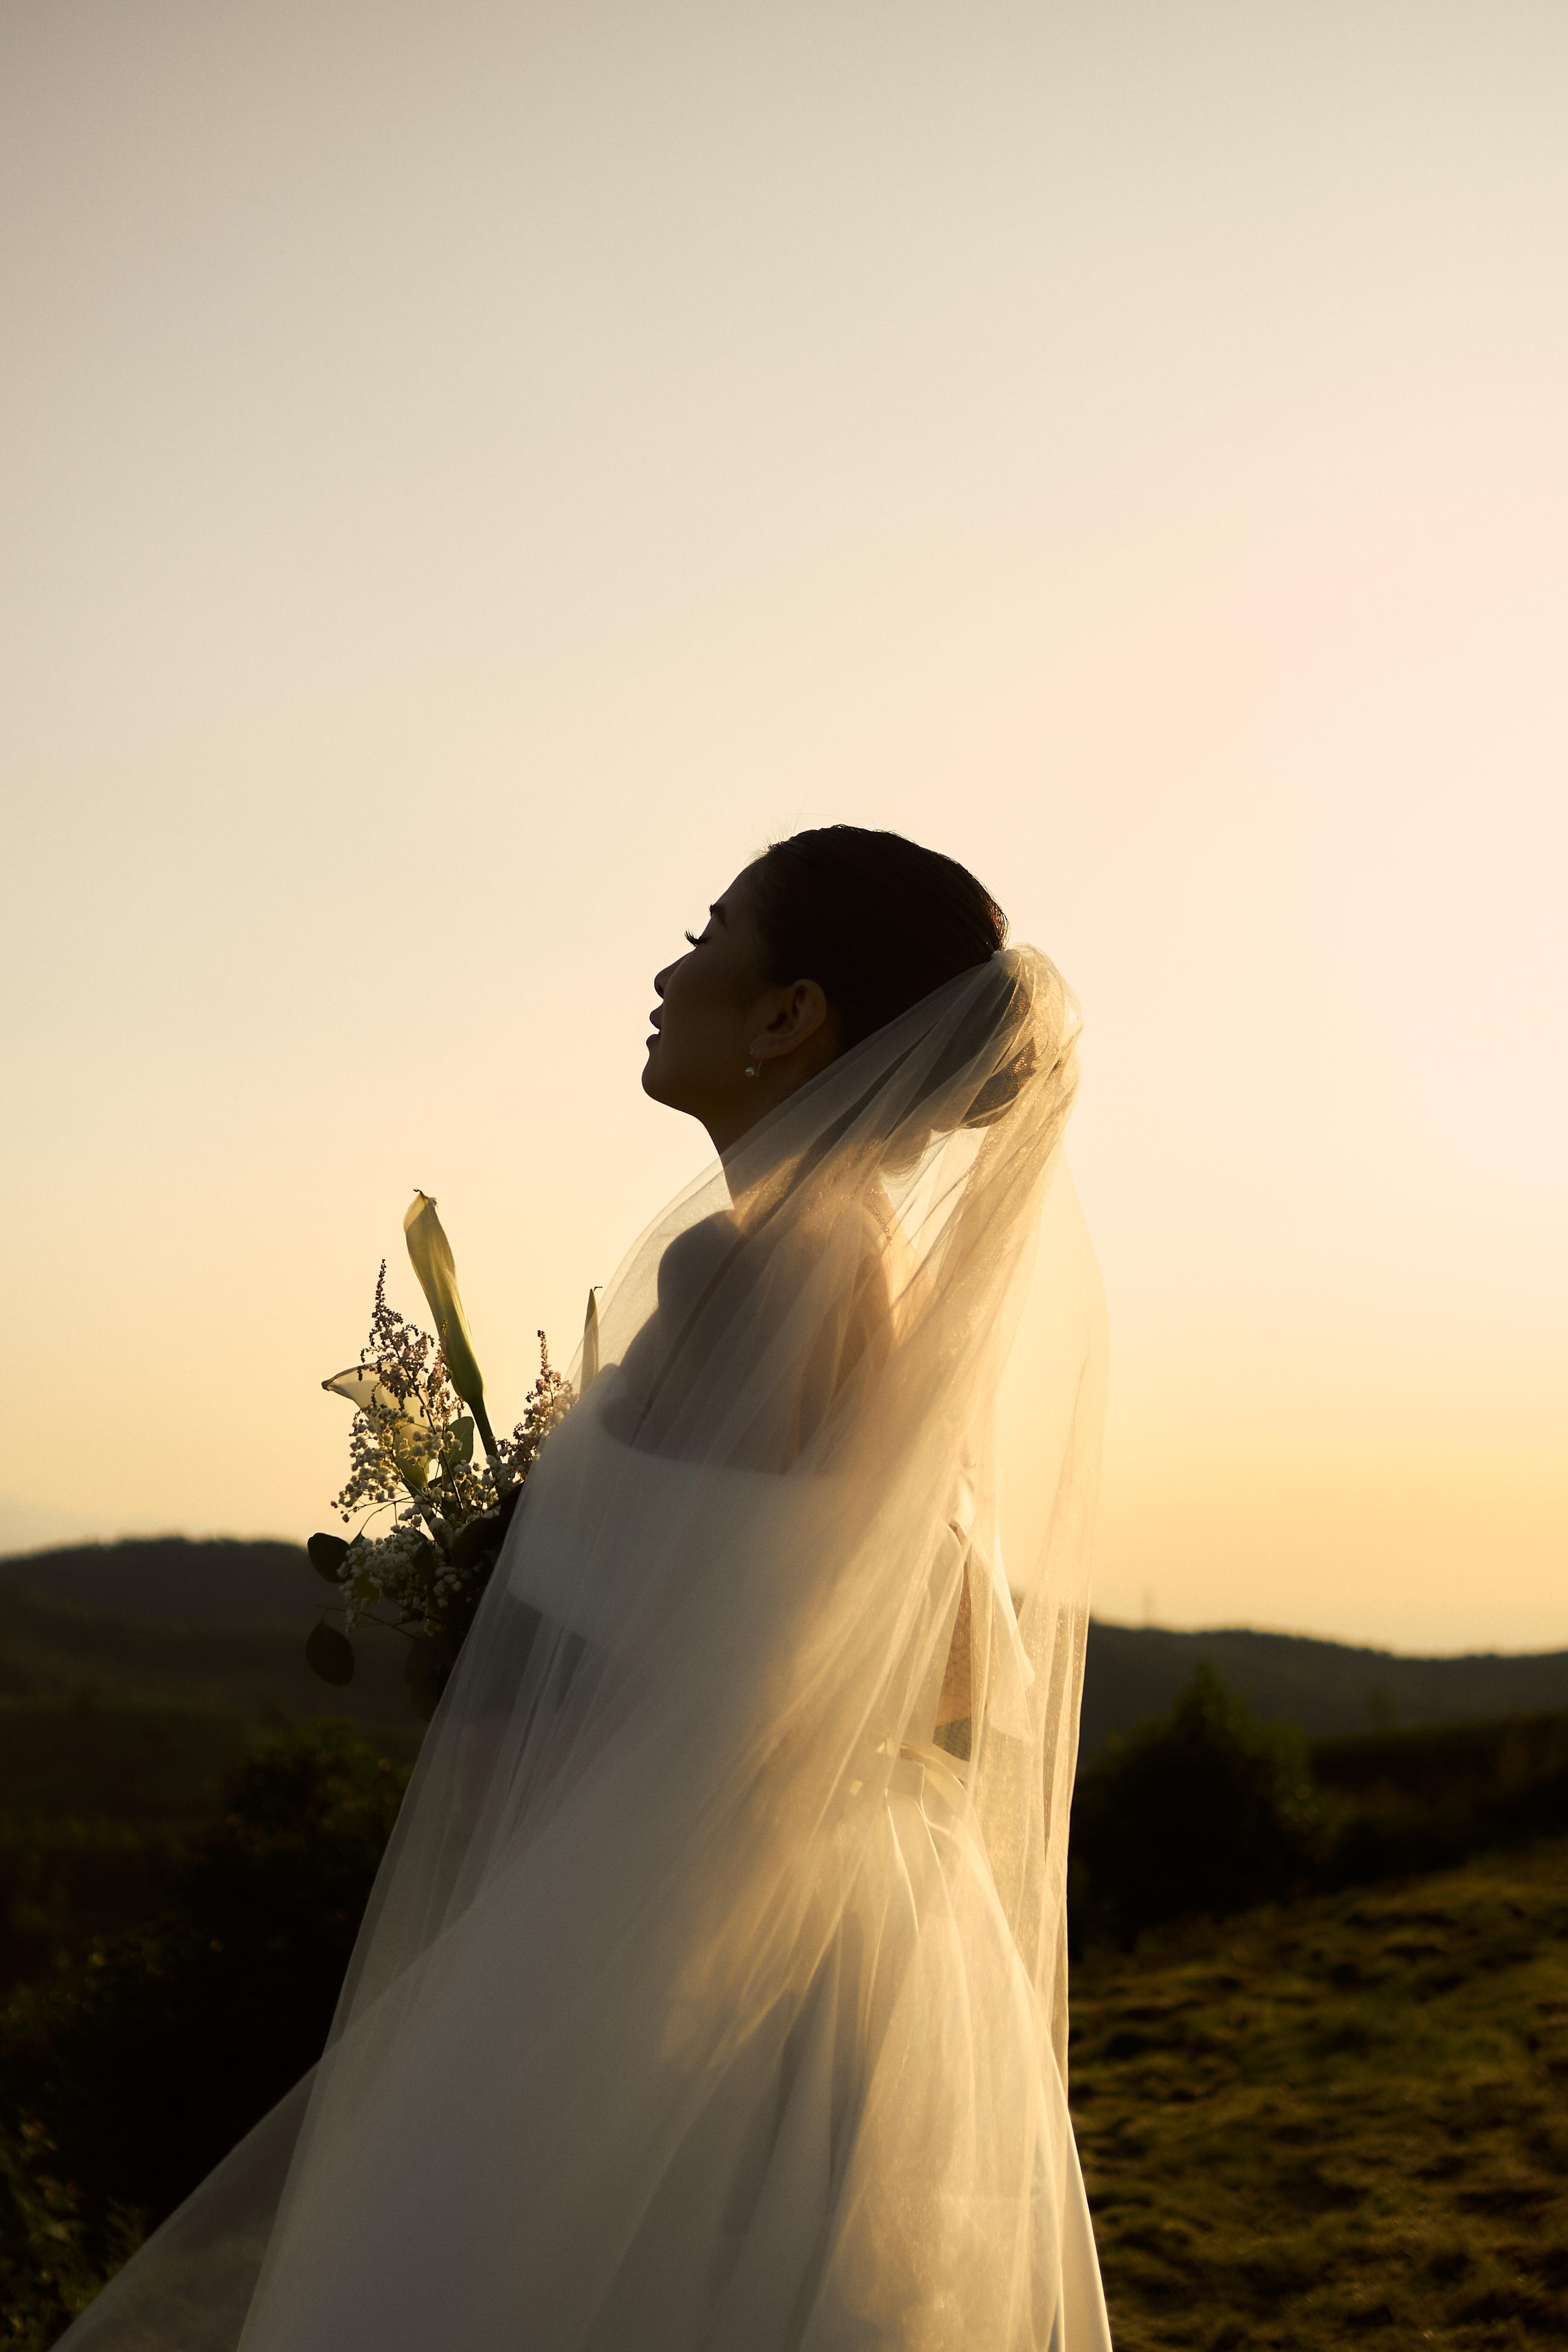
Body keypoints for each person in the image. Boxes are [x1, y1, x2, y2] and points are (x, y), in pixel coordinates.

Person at [59, 826, 1112, 2351]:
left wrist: (515, 1626)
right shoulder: (861, 1261)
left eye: (708, 932)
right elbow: (947, 1663)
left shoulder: (752, 1271)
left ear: (787, 1016)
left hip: (667, 1920)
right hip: (810, 1919)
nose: (667, 968)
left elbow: (753, 1655)